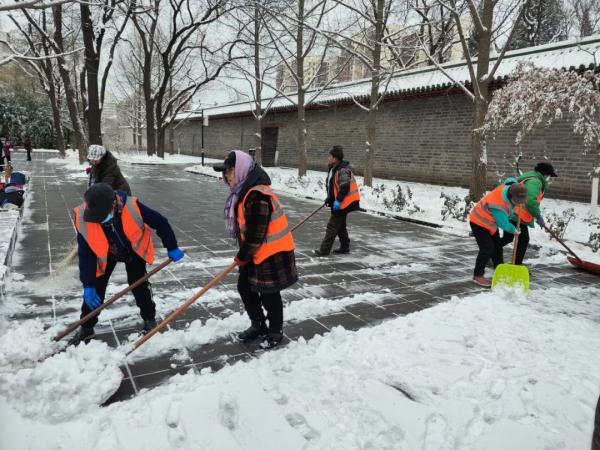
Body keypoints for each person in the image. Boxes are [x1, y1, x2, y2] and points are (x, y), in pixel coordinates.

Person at [68, 183, 185, 346]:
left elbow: (161, 222)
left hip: (133, 251)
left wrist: (171, 246)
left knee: (138, 284)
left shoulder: (132, 206)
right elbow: (86, 255)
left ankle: (149, 318)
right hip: (106, 253)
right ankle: (86, 328)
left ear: (114, 203)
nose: (100, 220)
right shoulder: (84, 217)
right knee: (96, 287)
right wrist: (88, 284)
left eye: (102, 216)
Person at [213, 150, 297, 348]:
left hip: (271, 253)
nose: (226, 175)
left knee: (269, 293)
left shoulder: (257, 195)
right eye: (225, 172)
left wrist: (242, 256)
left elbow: (256, 234)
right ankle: (258, 324)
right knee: (245, 287)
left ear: (241, 169)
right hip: (255, 252)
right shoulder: (244, 191)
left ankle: (275, 330)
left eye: (230, 171)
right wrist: (245, 256)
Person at [468, 181, 528, 287]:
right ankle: (477, 275)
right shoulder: (499, 204)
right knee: (487, 248)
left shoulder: (510, 187)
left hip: (490, 223)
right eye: (517, 201)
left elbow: (510, 180)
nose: (519, 203)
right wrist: (514, 230)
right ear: (510, 195)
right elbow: (503, 223)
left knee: (497, 247)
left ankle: (500, 269)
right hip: (478, 222)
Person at [500, 162, 558, 265]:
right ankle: (516, 264)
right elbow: (530, 201)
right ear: (544, 174)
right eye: (549, 176)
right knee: (523, 240)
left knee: (508, 238)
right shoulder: (535, 182)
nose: (549, 178)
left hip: (513, 212)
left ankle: (489, 253)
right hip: (517, 214)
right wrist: (538, 216)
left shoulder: (532, 178)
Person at [314, 145, 361, 256]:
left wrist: (338, 201)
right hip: (339, 202)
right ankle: (345, 247)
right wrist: (330, 198)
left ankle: (324, 250)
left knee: (332, 226)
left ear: (335, 158)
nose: (328, 158)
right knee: (340, 226)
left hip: (344, 202)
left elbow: (344, 187)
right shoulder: (333, 168)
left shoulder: (342, 170)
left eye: (329, 156)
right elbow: (333, 186)